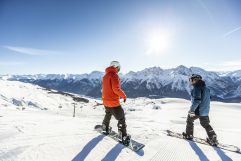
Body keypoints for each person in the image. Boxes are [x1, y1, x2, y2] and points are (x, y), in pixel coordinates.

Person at [183, 74, 218, 146]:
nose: (191, 82)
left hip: (198, 110)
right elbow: (208, 99)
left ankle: (189, 135)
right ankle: (212, 137)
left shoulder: (196, 88)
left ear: (195, 80)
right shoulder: (207, 89)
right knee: (205, 124)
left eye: (192, 80)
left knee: (189, 120)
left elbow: (197, 101)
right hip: (205, 111)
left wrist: (191, 110)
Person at [101, 61, 130, 145]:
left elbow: (105, 89)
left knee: (108, 113)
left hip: (106, 101)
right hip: (113, 102)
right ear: (116, 67)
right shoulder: (114, 75)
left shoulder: (105, 76)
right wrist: (124, 96)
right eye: (118, 68)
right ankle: (122, 136)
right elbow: (116, 89)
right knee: (121, 118)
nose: (118, 70)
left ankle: (104, 127)